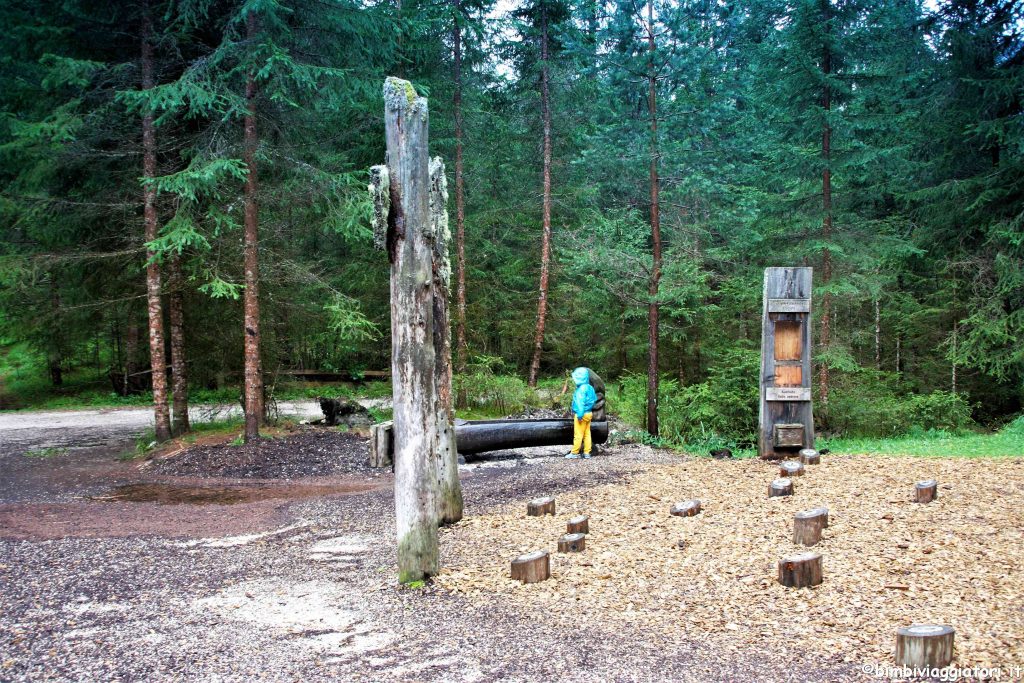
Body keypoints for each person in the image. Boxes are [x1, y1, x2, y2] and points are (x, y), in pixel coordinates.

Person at [565, 367, 597, 459]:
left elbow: (580, 403)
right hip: (589, 413)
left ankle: (574, 453)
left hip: (581, 414)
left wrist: (579, 414)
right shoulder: (590, 387)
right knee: (587, 434)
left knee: (578, 434)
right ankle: (587, 452)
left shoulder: (581, 390)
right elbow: (594, 400)